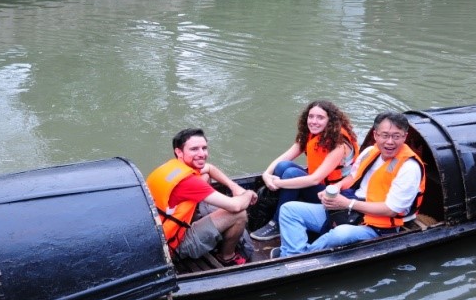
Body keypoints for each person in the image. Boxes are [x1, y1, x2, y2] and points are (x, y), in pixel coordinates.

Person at [274, 112, 425, 257]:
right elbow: (353, 176)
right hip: (352, 209)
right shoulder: (370, 152)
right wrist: (336, 188)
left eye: (396, 136)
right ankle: (294, 253)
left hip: (378, 225)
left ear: (404, 137)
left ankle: (296, 257)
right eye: (385, 135)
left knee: (341, 234)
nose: (390, 142)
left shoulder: (409, 168)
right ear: (375, 135)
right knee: (289, 210)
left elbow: (391, 210)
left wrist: (347, 203)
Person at [146, 128, 258, 266]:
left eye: (204, 148)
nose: (202, 154)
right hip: (174, 245)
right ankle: (227, 256)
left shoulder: (172, 167)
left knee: (204, 176)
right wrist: (248, 193)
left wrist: (233, 186)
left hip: (159, 234)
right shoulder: (188, 182)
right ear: (179, 152)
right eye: (194, 149)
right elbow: (236, 206)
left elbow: (209, 168)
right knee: (239, 214)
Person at [251, 100, 359, 241]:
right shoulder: (311, 134)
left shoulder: (339, 145)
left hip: (331, 194)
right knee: (282, 166)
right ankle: (280, 206)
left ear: (330, 121)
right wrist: (267, 174)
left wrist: (279, 183)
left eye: (320, 118)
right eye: (311, 116)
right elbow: (285, 157)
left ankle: (277, 223)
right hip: (316, 186)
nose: (314, 121)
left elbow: (314, 179)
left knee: (291, 174)